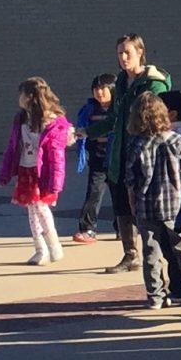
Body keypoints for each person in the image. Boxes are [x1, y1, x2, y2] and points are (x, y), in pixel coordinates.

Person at [100, 36, 172, 271]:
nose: (122, 58)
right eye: (119, 53)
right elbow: (113, 119)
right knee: (121, 204)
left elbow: (155, 121)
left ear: (141, 52)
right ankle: (130, 254)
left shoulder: (153, 83)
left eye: (127, 52)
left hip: (144, 157)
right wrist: (86, 131)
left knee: (149, 211)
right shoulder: (120, 82)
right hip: (120, 155)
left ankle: (165, 263)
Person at [125, 92, 181, 313]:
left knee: (151, 254)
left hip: (147, 204)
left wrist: (132, 201)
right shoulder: (176, 139)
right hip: (174, 203)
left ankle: (156, 295)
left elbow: (131, 177)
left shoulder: (137, 144)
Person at [0, 78, 73, 266]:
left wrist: (56, 181)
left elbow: (56, 155)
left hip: (42, 172)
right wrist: (5, 171)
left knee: (40, 207)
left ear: (31, 96)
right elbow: (12, 146)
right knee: (32, 210)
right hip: (25, 168)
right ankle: (40, 249)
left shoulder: (52, 122)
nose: (19, 98)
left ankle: (54, 245)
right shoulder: (21, 118)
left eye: (22, 94)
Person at [69, 73, 116, 244]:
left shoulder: (119, 109)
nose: (99, 92)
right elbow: (82, 129)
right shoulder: (89, 109)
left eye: (103, 88)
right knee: (94, 193)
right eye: (96, 89)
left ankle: (124, 228)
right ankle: (87, 229)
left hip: (117, 159)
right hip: (98, 157)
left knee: (120, 195)